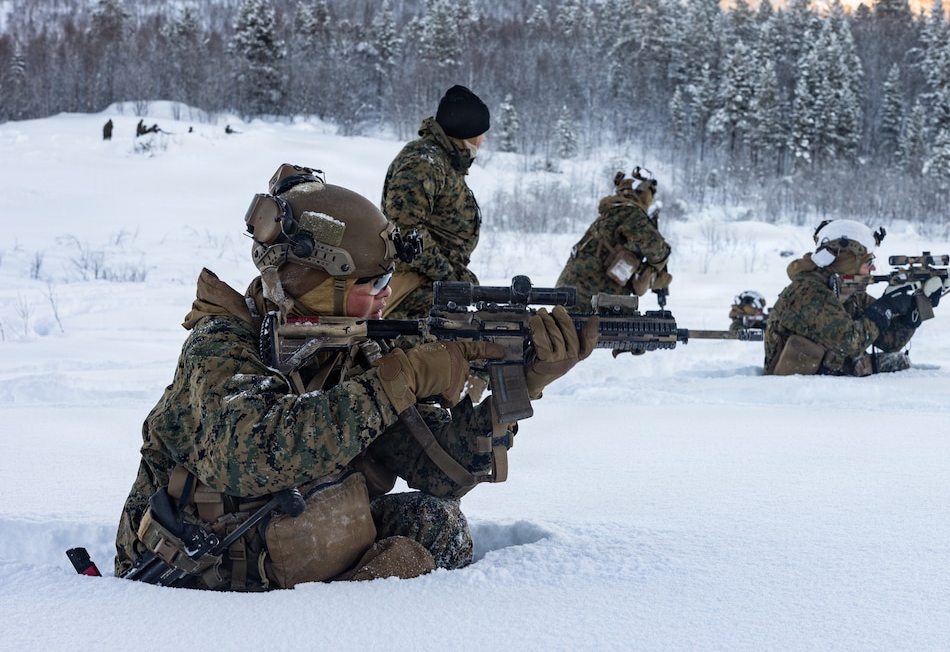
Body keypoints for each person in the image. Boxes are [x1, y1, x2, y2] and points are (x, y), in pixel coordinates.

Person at [114, 163, 598, 590]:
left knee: (438, 526)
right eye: (375, 283)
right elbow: (253, 455)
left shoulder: (355, 350)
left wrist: (526, 382)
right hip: (195, 567)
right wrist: (400, 379)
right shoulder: (219, 345)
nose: (388, 294)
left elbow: (440, 472)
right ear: (319, 284)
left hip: (294, 532)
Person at [763, 219, 940, 376]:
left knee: (898, 361)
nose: (873, 269)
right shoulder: (808, 292)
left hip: (827, 380)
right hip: (792, 391)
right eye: (868, 263)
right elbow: (851, 343)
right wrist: (885, 307)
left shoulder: (849, 294)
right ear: (846, 264)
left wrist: (912, 313)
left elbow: (890, 342)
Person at [381, 85, 489, 319]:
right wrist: (448, 278)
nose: (482, 141)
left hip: (430, 283)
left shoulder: (444, 162)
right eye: (480, 134)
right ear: (466, 133)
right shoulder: (424, 162)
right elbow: (406, 230)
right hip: (411, 291)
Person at [556, 168, 672, 313]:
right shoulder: (629, 213)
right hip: (589, 300)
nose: (650, 202)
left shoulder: (612, 212)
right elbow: (656, 250)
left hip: (571, 296)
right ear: (642, 193)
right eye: (650, 195)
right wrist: (656, 268)